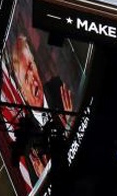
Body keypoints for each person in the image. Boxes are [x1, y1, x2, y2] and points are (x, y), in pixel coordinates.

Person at [9, 34, 74, 187]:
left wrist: (72, 124)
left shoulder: (60, 87)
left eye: (31, 66)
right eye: (26, 78)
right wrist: (45, 176)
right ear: (22, 92)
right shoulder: (28, 145)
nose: (32, 78)